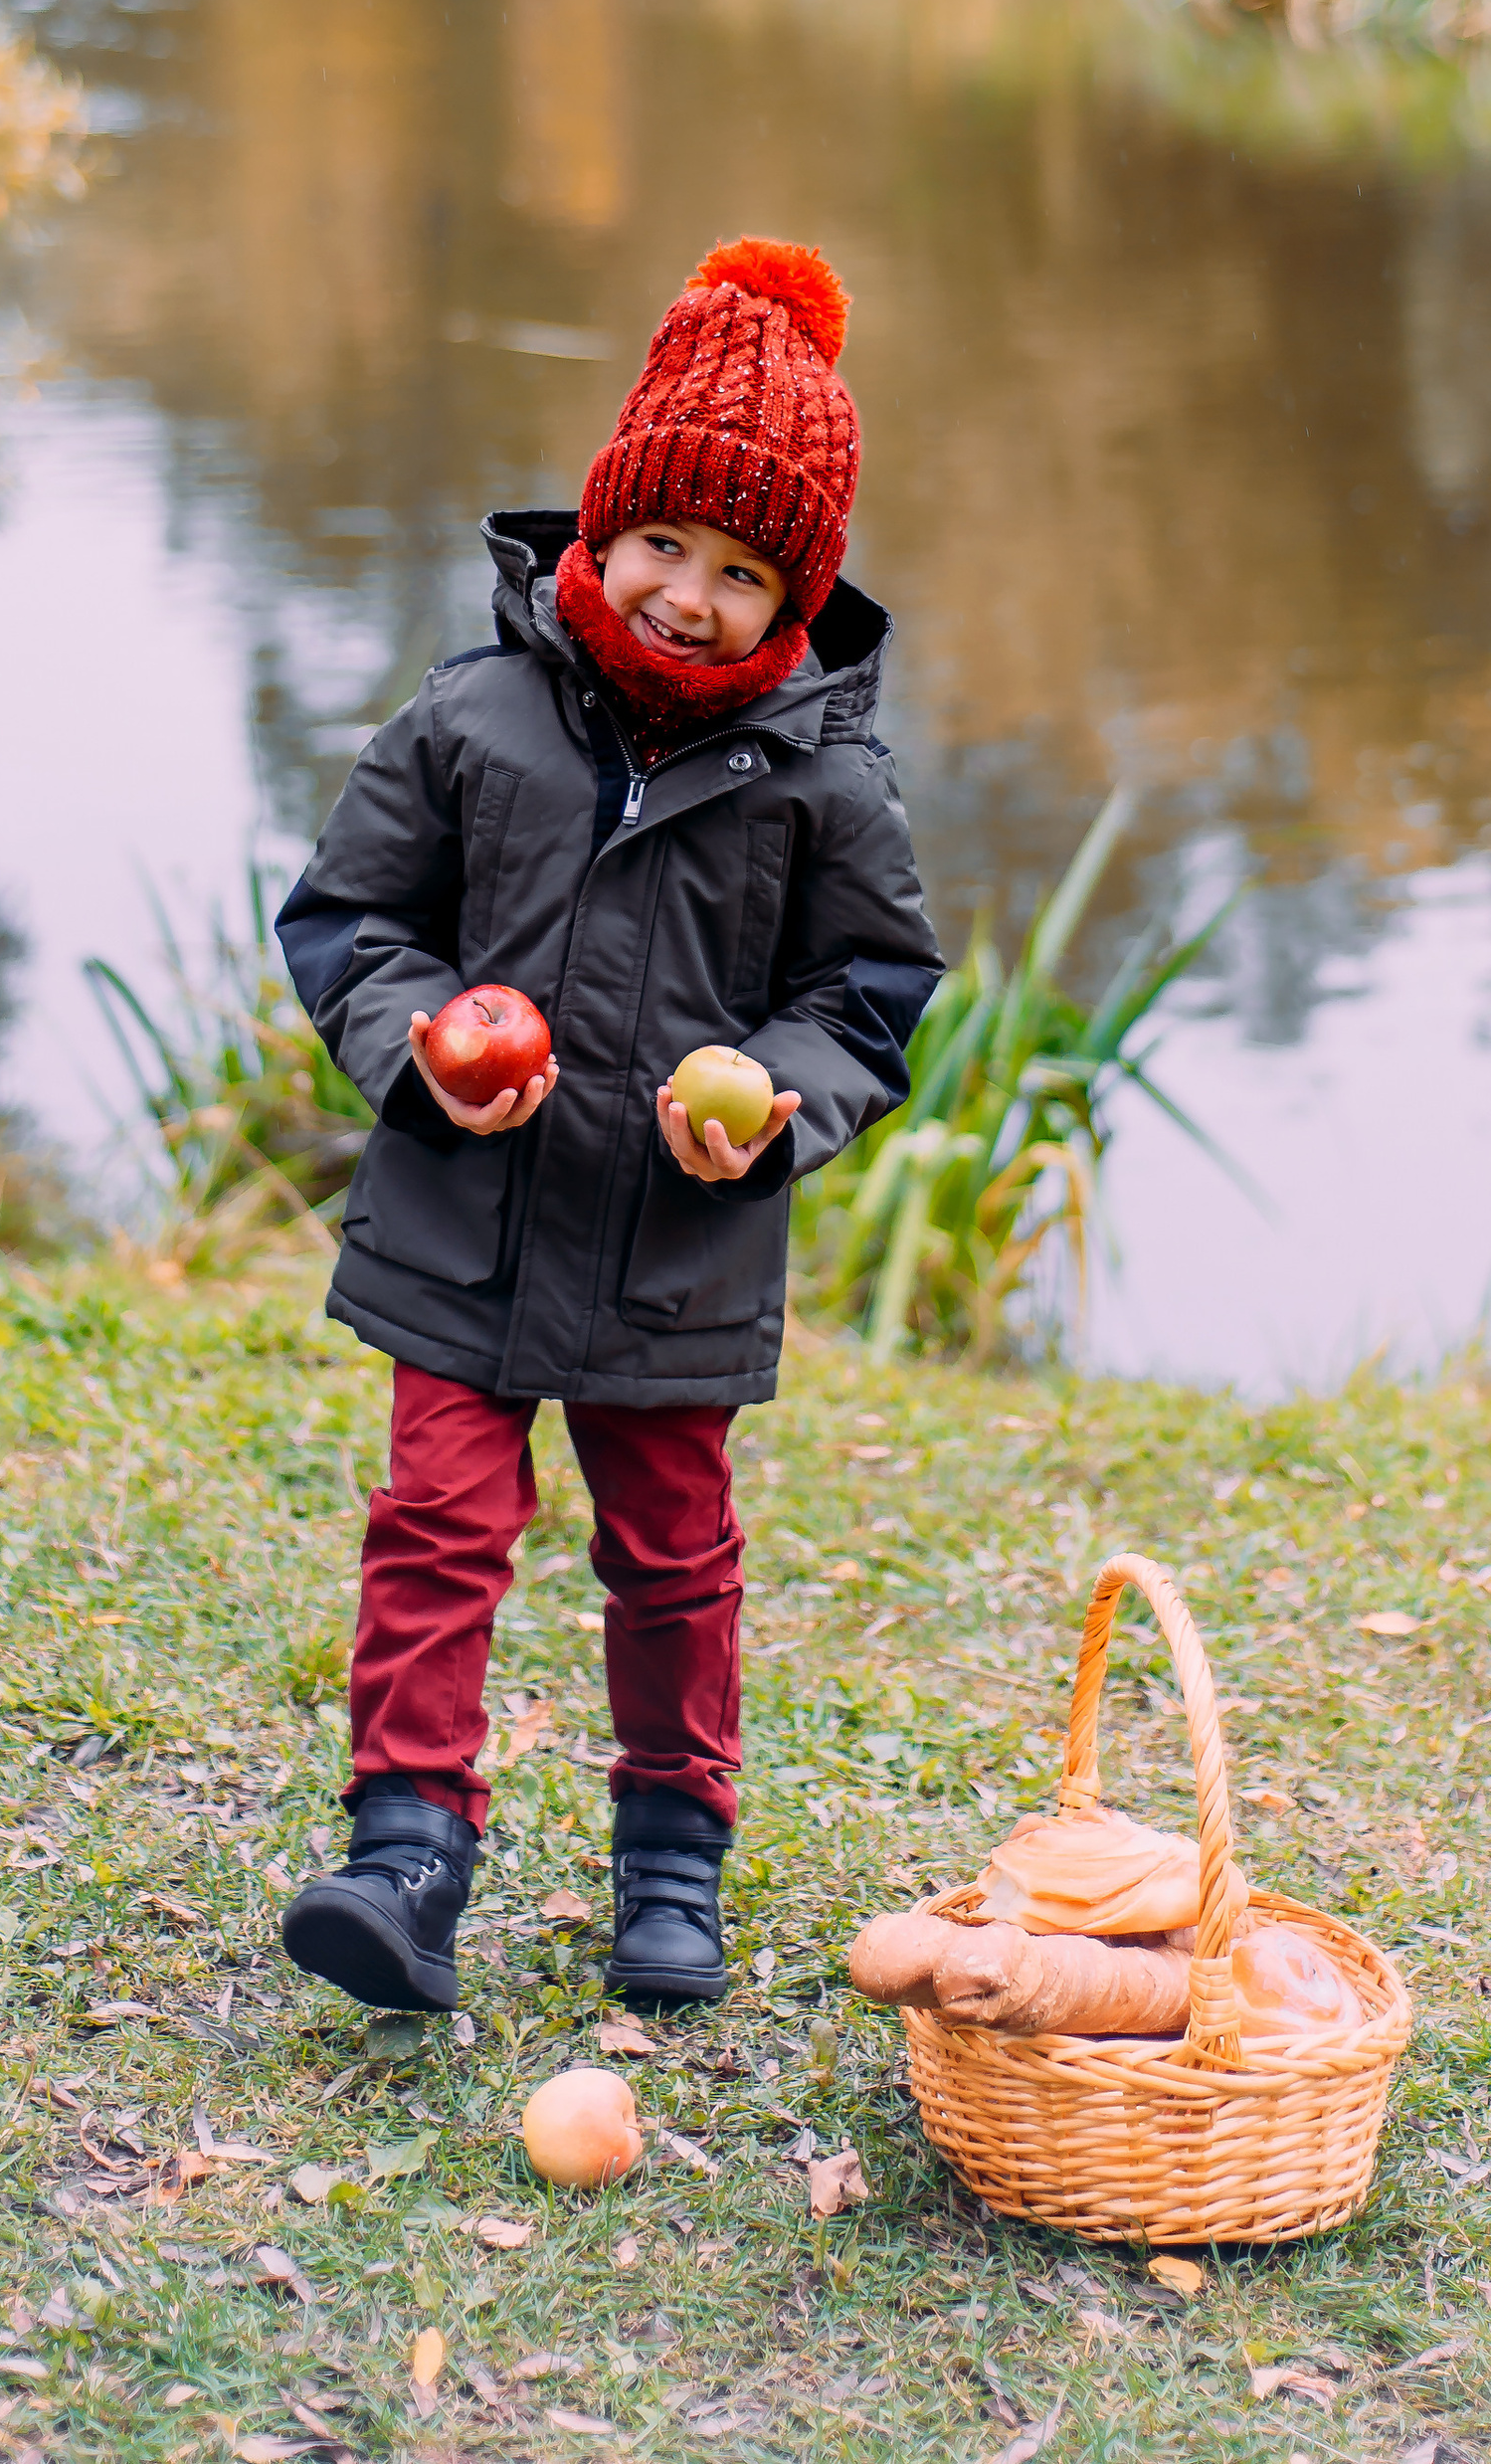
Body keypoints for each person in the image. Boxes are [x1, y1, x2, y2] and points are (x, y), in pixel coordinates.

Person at [273, 236, 942, 2013]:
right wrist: (416, 1044)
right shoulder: (471, 714)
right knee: (436, 1524)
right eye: (663, 542)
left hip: (675, 1243)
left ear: (795, 595)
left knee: (672, 1558)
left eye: (742, 570)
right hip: (463, 1214)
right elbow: (351, 917)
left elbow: (871, 993)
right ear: (600, 518)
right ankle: (407, 1849)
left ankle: (671, 1859)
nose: (687, 595)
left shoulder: (826, 781)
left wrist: (776, 1109)